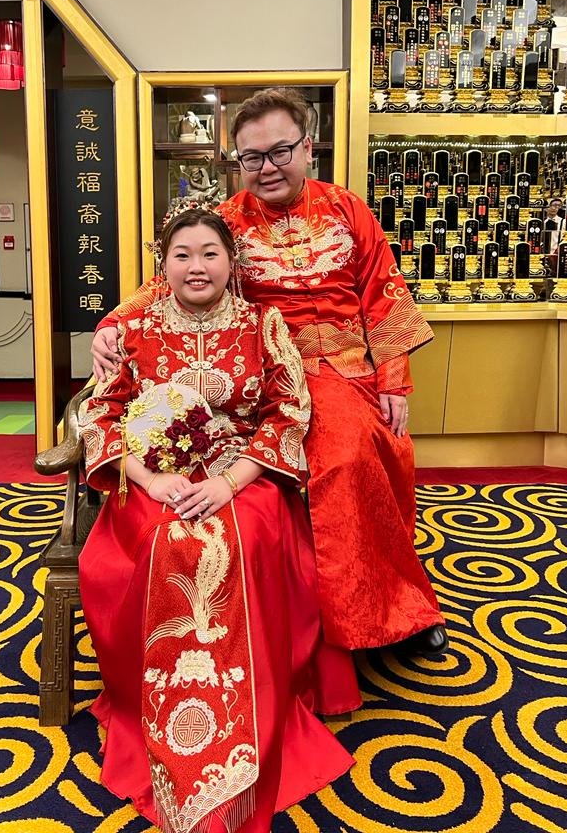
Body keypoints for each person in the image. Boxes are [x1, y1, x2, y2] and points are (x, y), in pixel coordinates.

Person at [92, 87, 447, 656]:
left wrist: (394, 379)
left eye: (280, 151)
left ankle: (393, 610)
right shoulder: (227, 220)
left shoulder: (347, 208)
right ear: (237, 161)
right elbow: (171, 280)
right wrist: (112, 322)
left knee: (349, 455)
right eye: (252, 158)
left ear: (308, 148)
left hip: (341, 370)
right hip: (257, 367)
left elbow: (384, 293)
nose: (267, 167)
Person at [79, 207, 359, 833]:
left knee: (243, 541)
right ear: (163, 266)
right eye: (182, 254)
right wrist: (152, 479)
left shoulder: (264, 325)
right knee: (163, 541)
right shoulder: (135, 331)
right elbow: (98, 415)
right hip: (156, 480)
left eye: (210, 253)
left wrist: (230, 481)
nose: (196, 266)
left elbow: (289, 415)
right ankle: (151, 708)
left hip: (244, 477)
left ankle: (245, 720)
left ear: (232, 263)